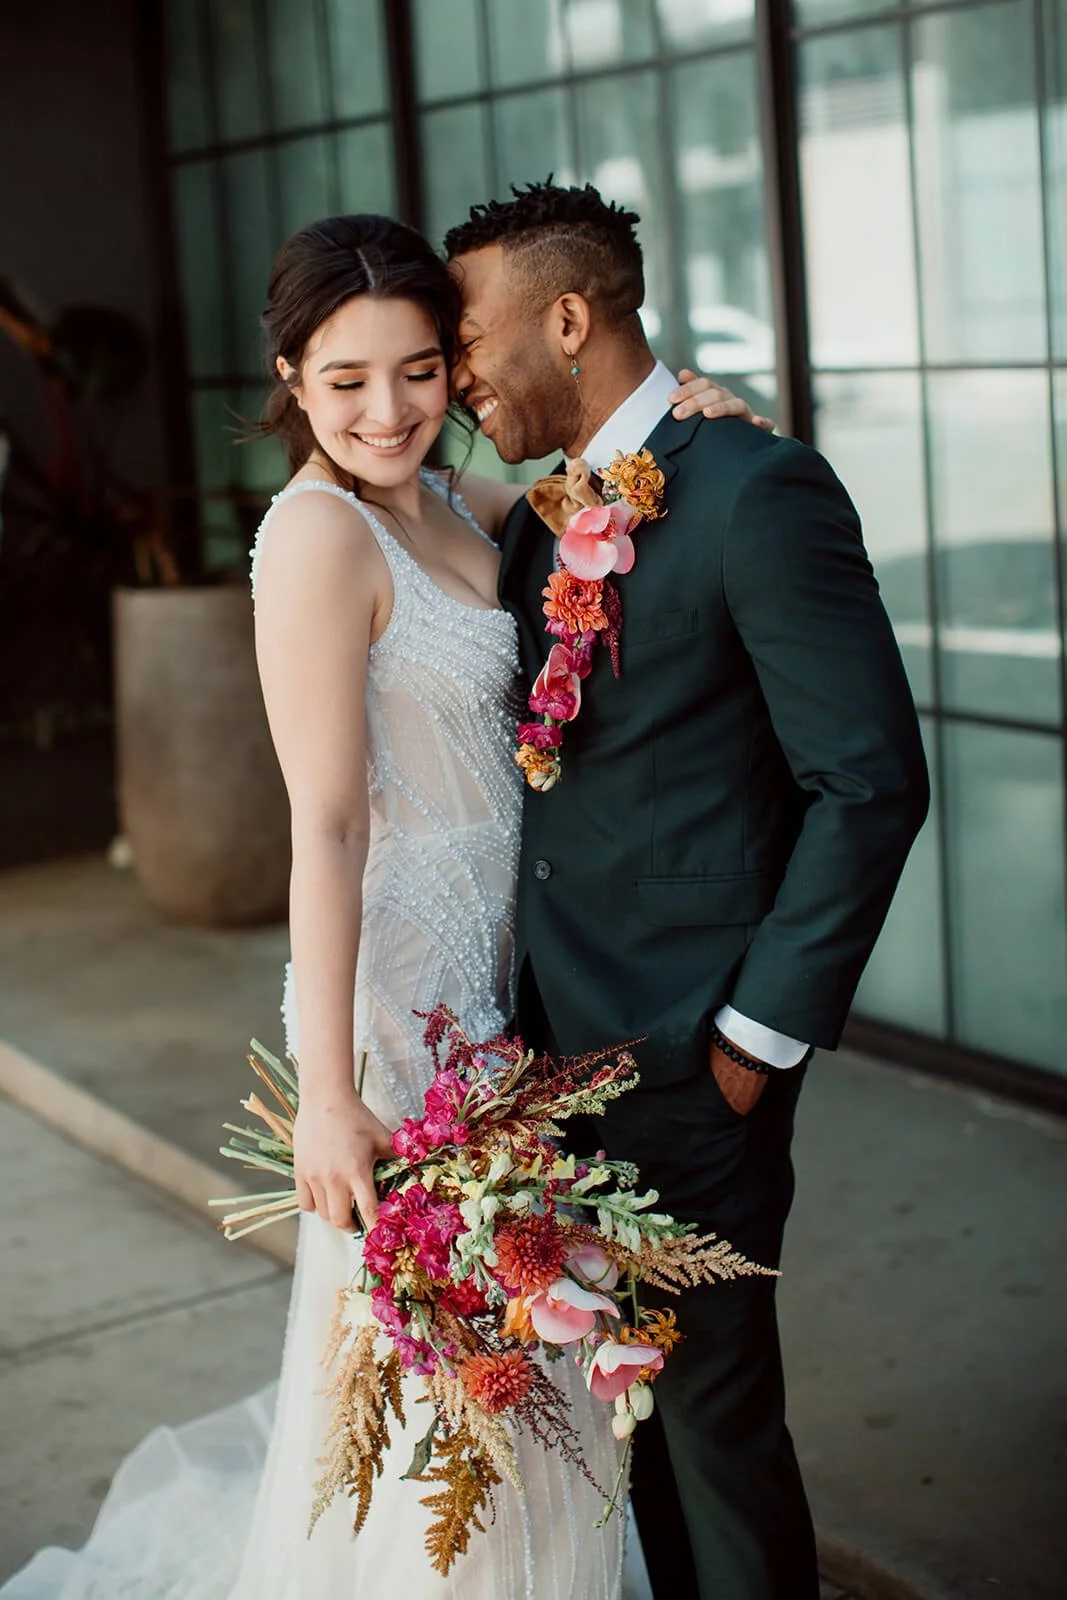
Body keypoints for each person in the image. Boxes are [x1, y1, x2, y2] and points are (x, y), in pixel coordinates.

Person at [0, 212, 757, 1600]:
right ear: (291, 378)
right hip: (395, 1012)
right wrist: (335, 1088)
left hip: (494, 988)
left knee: (520, 1363)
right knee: (452, 1381)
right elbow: (328, 820)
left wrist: (693, 415)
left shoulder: (449, 504)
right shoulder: (315, 540)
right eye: (345, 380)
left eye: (418, 371)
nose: (388, 410)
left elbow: (595, 492)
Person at [443, 180, 930, 1600]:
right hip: (544, 1064)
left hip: (688, 1059)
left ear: (570, 316)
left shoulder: (755, 487)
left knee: (710, 1429)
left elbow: (868, 779)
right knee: (621, 1431)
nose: (457, 377)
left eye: (466, 340)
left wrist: (752, 1042)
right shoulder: (538, 513)